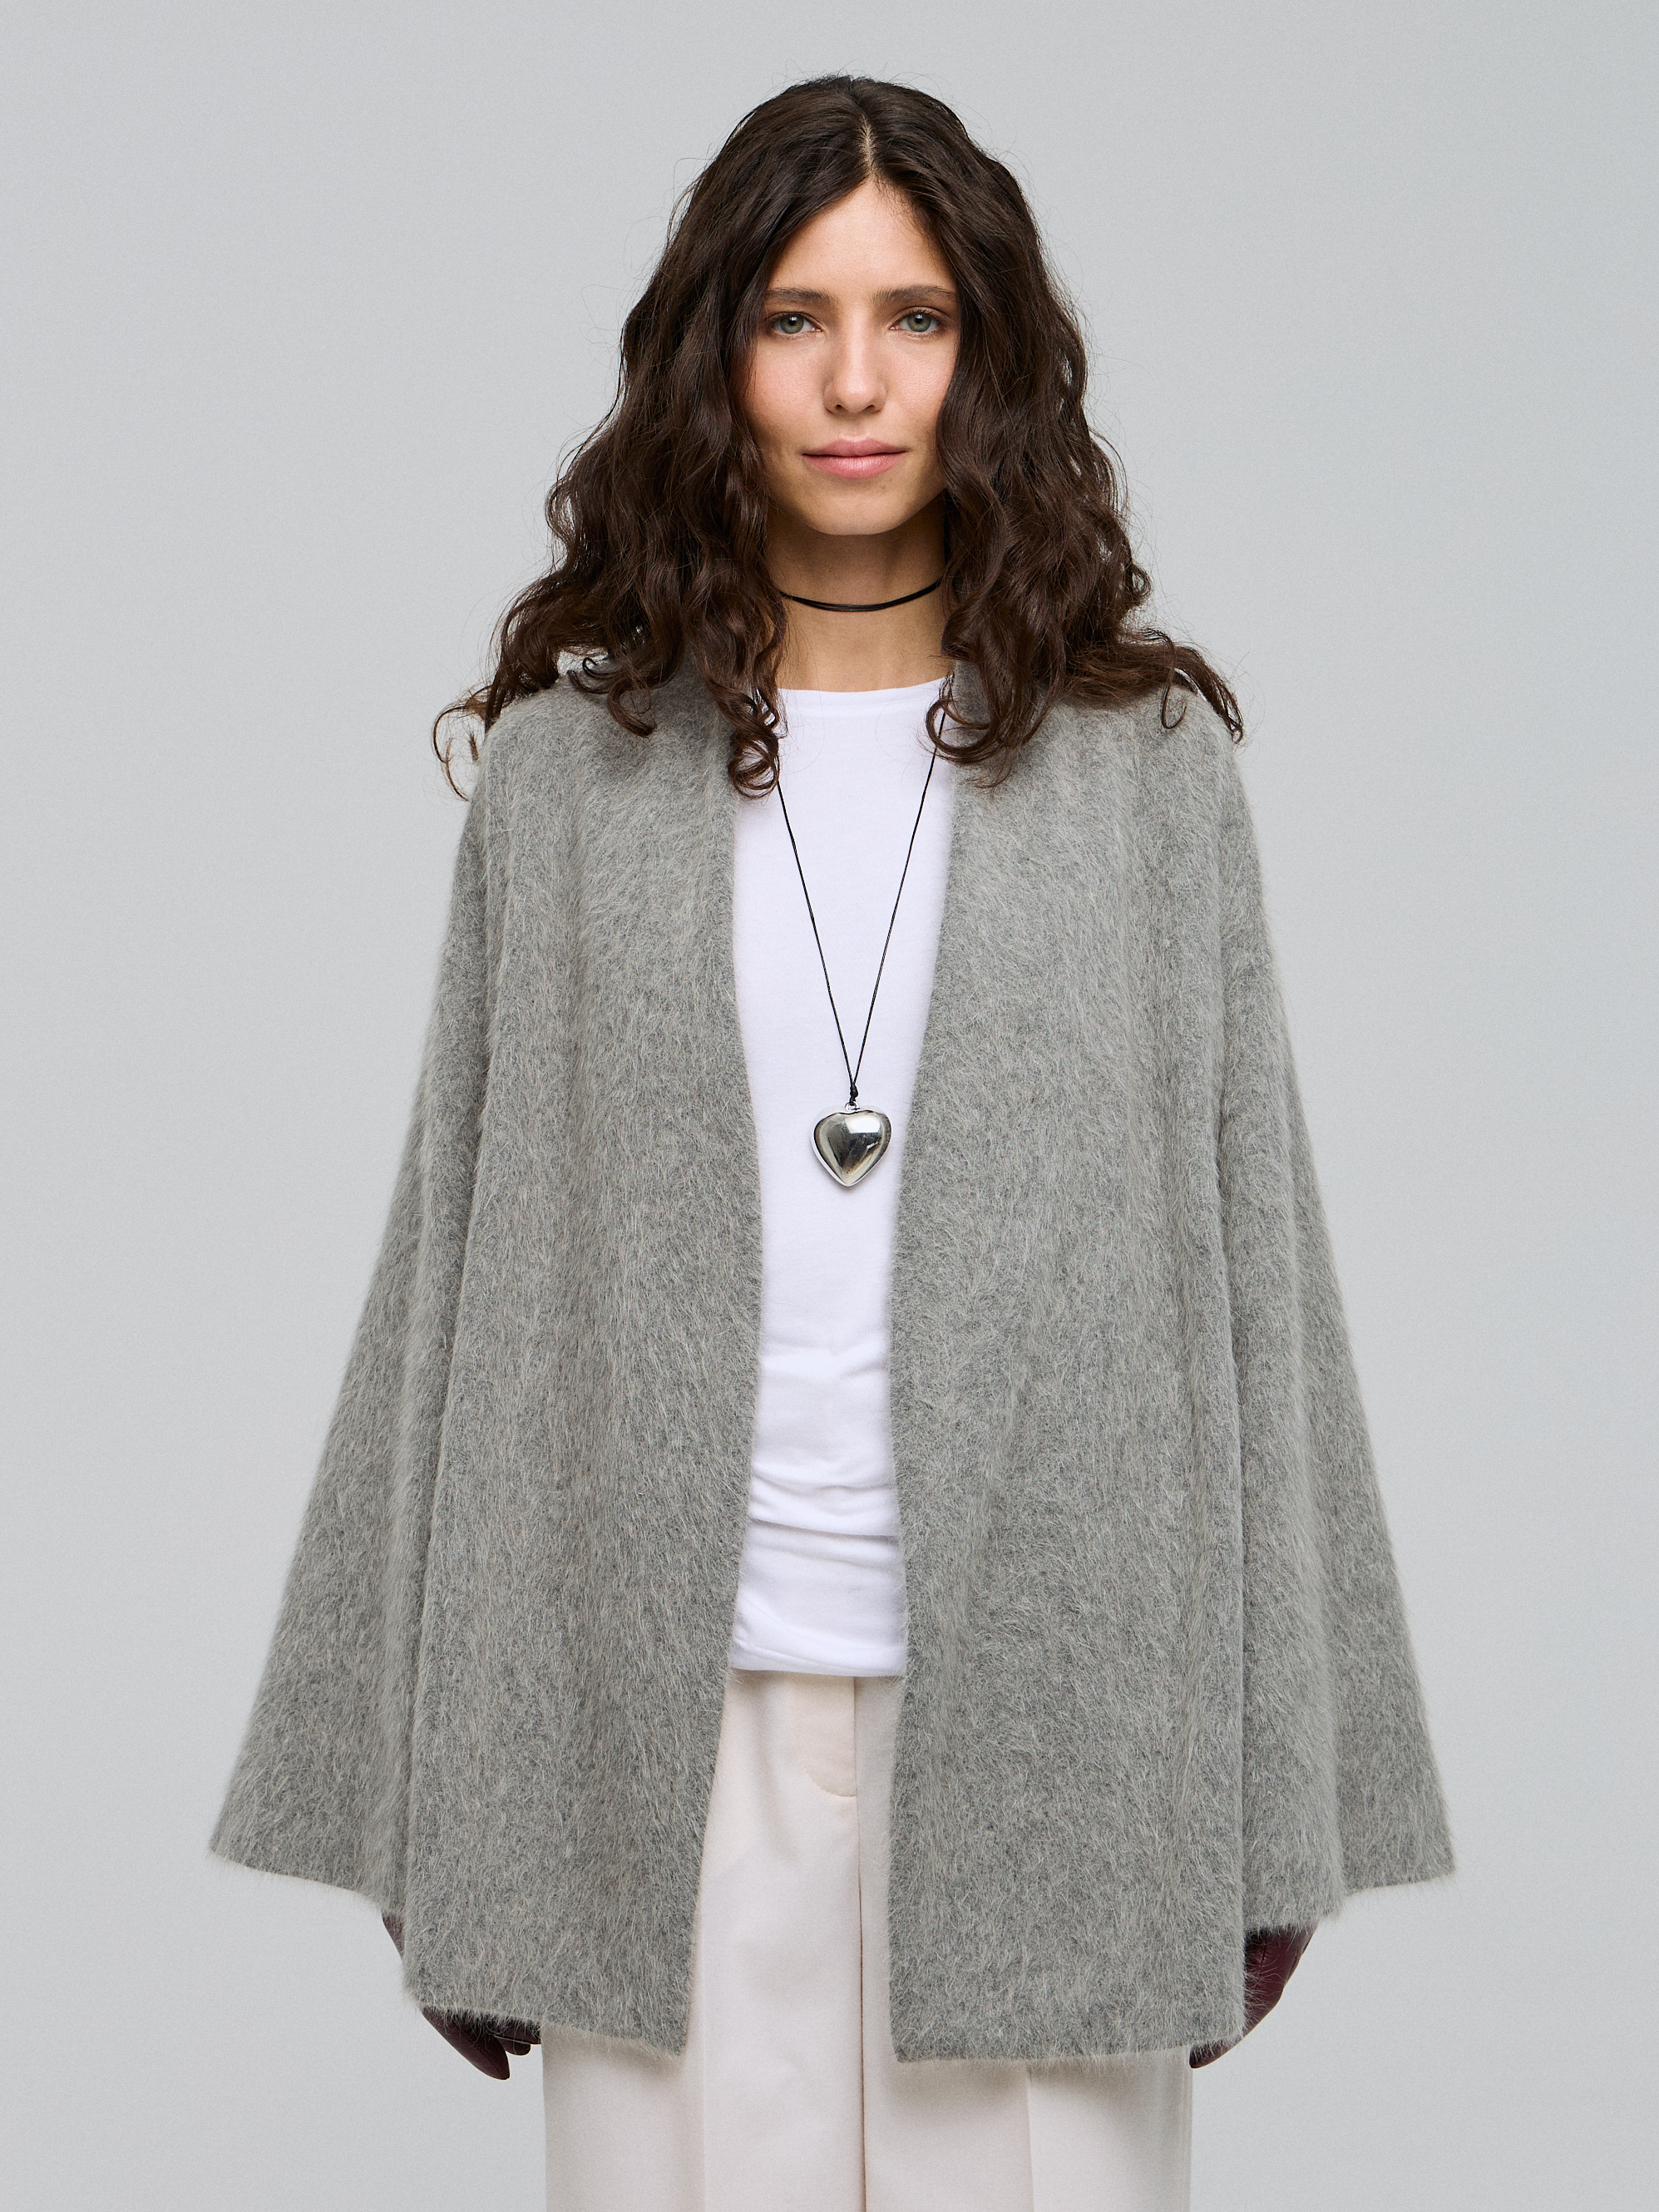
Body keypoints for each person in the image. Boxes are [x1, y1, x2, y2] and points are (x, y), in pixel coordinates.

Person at [211, 75, 1454, 2212]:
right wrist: (430, 1783)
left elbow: (1261, 1278)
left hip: (1068, 1719)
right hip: (649, 1731)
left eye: (915, 317)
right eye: (794, 318)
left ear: (990, 355)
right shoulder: (572, 772)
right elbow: (455, 1270)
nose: (856, 383)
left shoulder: (1144, 770)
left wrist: (1283, 1791)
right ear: (715, 356)